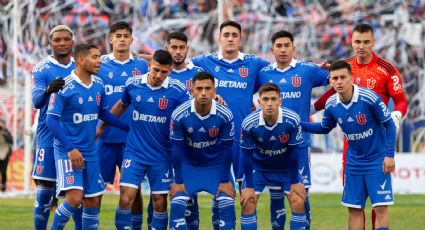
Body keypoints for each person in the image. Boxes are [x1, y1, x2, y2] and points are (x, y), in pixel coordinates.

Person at [311, 23, 407, 229]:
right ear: (351, 42)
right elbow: (328, 97)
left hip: (377, 143)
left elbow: (401, 101)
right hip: (351, 147)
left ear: (373, 42)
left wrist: (396, 117)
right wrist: (306, 113)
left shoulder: (386, 69)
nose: (361, 46)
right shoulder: (343, 67)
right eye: (357, 41)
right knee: (355, 206)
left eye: (366, 42)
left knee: (379, 204)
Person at [190, 20, 269, 228]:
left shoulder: (254, 63)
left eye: (234, 34)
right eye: (226, 35)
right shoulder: (204, 62)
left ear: (240, 38)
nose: (230, 38)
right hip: (216, 139)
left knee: (247, 194)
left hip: (244, 139)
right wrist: (144, 59)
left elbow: (281, 69)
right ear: (219, 38)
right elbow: (176, 63)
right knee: (220, 193)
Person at [303, 60, 396, 230]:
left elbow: (389, 124)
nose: (339, 82)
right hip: (354, 163)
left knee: (381, 208)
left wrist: (390, 155)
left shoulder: (369, 98)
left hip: (377, 160)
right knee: (354, 209)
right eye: (335, 78)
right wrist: (299, 125)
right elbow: (325, 127)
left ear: (351, 78)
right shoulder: (331, 104)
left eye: (342, 77)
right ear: (330, 81)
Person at [46, 44, 128, 230]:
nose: (99, 60)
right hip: (68, 152)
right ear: (81, 60)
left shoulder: (99, 85)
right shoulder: (63, 86)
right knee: (74, 198)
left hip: (90, 152)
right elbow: (51, 121)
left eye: (99, 56)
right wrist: (70, 148)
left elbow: (104, 114)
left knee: (92, 202)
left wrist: (128, 129)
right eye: (95, 57)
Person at [109, 50, 191, 230]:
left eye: (163, 72)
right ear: (149, 66)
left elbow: (191, 113)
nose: (158, 75)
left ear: (170, 70)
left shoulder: (178, 90)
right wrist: (100, 127)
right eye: (155, 70)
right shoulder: (133, 84)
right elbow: (121, 105)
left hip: (162, 155)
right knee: (126, 198)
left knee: (159, 202)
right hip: (135, 152)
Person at [257, 30, 329, 229]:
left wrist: (316, 107)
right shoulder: (264, 73)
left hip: (299, 143)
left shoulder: (307, 70)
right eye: (278, 46)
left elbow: (338, 80)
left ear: (293, 48)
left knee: (300, 195)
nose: (282, 50)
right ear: (272, 50)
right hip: (271, 145)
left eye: (286, 45)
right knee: (276, 197)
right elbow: (248, 91)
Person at [96, 21, 148, 230]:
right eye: (118, 36)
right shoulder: (99, 64)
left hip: (132, 140)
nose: (122, 39)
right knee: (94, 191)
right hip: (103, 138)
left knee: (132, 192)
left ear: (131, 40)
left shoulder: (141, 66)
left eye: (126, 36)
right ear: (111, 39)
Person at [30, 25, 83, 230]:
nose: (61, 43)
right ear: (50, 43)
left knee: (77, 190)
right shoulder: (41, 69)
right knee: (46, 187)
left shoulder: (79, 66)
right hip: (48, 136)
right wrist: (47, 91)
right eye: (57, 40)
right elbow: (36, 101)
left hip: (75, 137)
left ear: (72, 42)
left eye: (65, 39)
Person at [168, 71, 236, 230]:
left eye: (208, 88)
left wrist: (225, 180)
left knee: (227, 206)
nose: (203, 93)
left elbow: (228, 149)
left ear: (214, 91)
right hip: (188, 166)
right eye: (199, 88)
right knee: (177, 207)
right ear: (192, 90)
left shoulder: (225, 115)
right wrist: (178, 181)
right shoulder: (179, 115)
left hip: (216, 165)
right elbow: (176, 149)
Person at [239, 83, 307, 230]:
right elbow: (246, 156)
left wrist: (295, 181)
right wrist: (249, 186)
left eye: (273, 99)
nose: (269, 103)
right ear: (259, 102)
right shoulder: (249, 123)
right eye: (265, 99)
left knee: (298, 200)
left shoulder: (292, 119)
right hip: (259, 168)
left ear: (280, 101)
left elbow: (294, 153)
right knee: (247, 202)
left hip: (286, 169)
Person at [164, 31, 204, 229]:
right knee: (160, 197)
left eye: (181, 48)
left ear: (187, 49)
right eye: (174, 47)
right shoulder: (159, 71)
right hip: (161, 145)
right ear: (167, 48)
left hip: (188, 145)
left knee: (190, 198)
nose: (178, 52)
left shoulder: (197, 72)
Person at [0, 119, 12, 192]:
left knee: (3, 171)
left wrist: (4, 133)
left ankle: (3, 187)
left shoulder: (6, 132)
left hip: (5, 153)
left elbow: (11, 141)